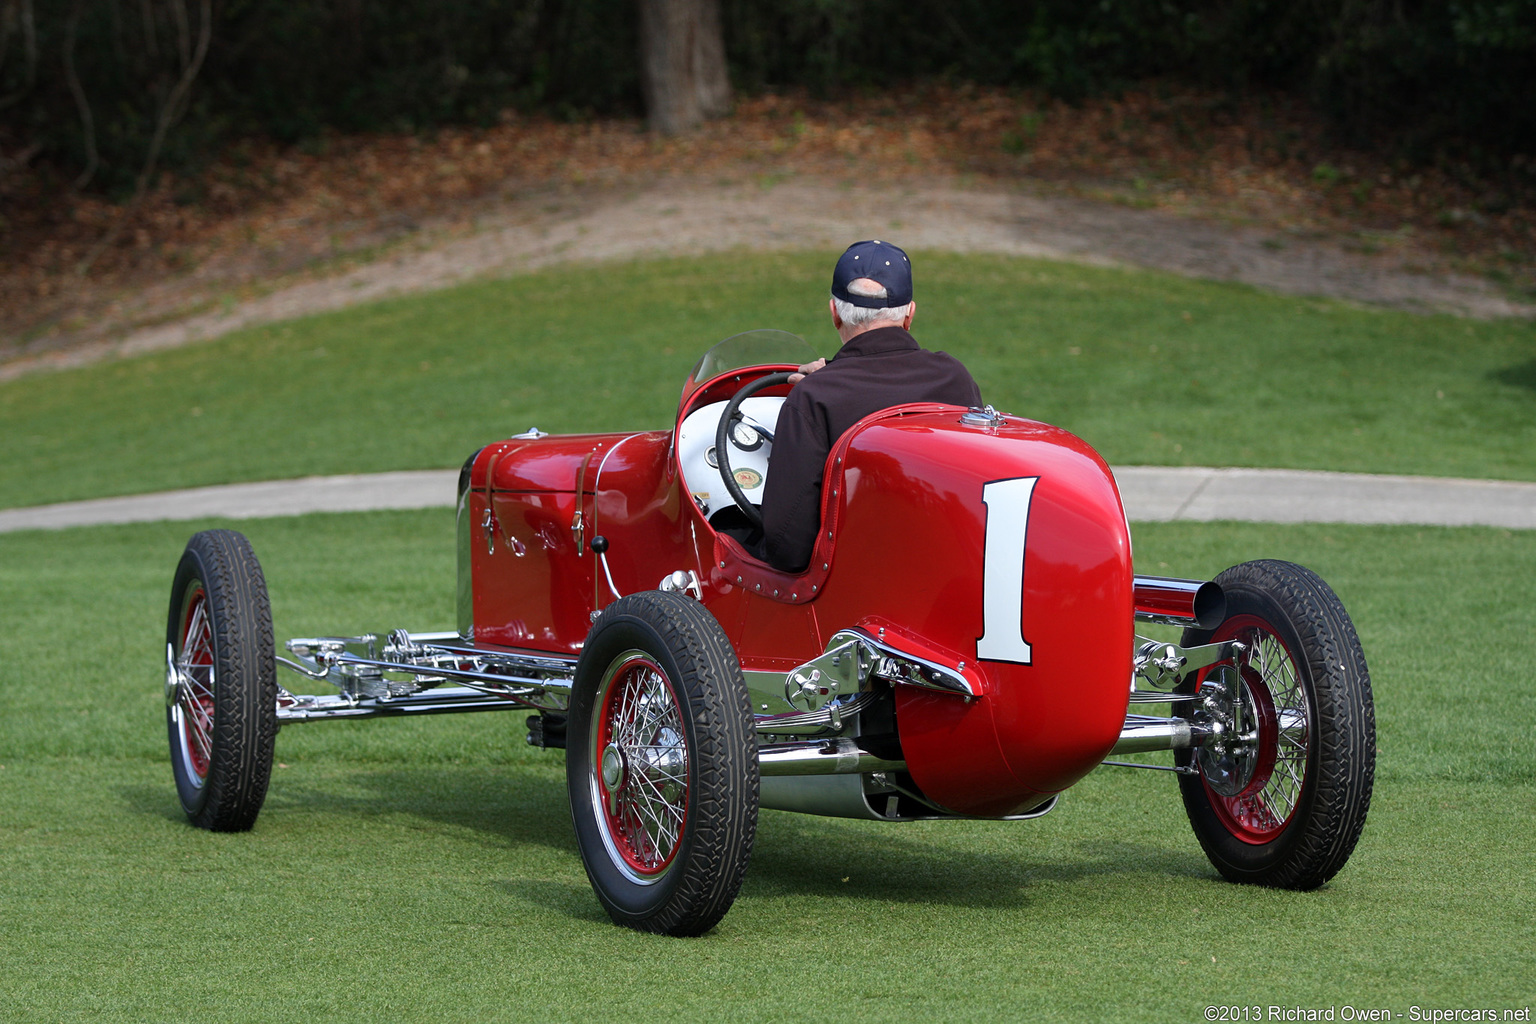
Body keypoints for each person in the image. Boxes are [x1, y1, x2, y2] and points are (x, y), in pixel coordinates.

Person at [759, 240, 982, 573]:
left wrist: (822, 383)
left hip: (857, 585)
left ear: (834, 313)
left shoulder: (813, 397)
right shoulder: (955, 378)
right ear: (909, 314)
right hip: (946, 569)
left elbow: (786, 547)